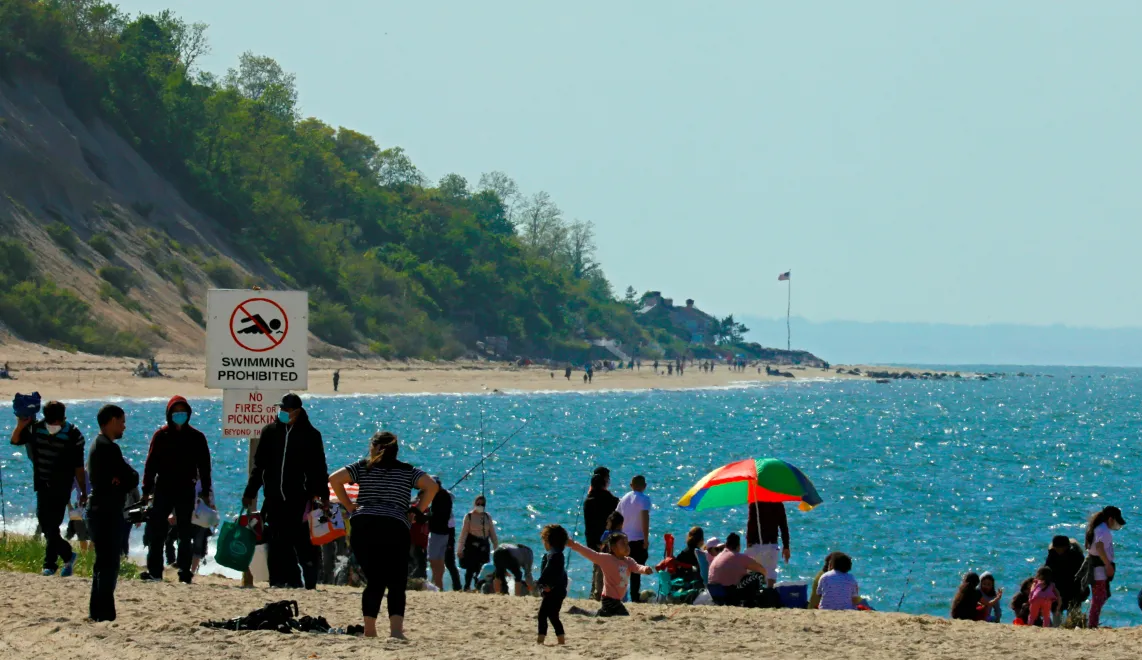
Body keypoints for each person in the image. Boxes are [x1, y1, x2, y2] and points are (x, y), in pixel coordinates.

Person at [329, 430, 438, 639]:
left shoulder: (363, 467)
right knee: (396, 580)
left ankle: (370, 630)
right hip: (395, 525)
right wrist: (416, 511)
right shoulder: (408, 471)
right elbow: (431, 486)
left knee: (375, 580)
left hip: (364, 524)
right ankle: (396, 632)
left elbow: (334, 479)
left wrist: (350, 506)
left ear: (374, 447)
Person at [242, 393, 329, 590]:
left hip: (299, 498)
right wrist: (250, 492)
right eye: (280, 409)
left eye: (286, 410)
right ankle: (278, 581)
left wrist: (323, 495)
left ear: (297, 412)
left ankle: (305, 582)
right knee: (275, 540)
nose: (282, 413)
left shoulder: (311, 435)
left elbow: (319, 468)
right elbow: (259, 466)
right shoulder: (270, 432)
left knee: (300, 542)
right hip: (273, 497)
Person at [140, 396, 212, 584]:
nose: (179, 416)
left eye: (183, 412)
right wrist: (146, 490)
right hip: (163, 487)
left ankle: (184, 572)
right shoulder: (161, 436)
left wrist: (206, 492)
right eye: (176, 412)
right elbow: (150, 465)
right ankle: (155, 571)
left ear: (188, 414)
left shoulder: (197, 437)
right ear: (169, 414)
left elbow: (205, 467)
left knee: (185, 533)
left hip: (186, 489)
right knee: (157, 532)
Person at [10, 400, 87, 577]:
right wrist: (20, 424)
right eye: (50, 422)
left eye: (57, 422)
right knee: (46, 525)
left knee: (53, 525)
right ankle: (67, 554)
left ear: (63, 419)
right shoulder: (35, 429)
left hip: (62, 486)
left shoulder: (74, 435)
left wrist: (82, 491)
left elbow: (78, 466)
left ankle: (50, 564)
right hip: (42, 483)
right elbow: (15, 440)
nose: (53, 426)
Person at [87, 405, 138, 622]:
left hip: (100, 510)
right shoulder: (107, 447)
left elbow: (125, 477)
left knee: (102, 563)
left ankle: (97, 611)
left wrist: (121, 479)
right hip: (106, 512)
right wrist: (120, 479)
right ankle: (105, 613)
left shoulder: (99, 445)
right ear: (110, 421)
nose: (124, 426)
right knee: (109, 565)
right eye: (121, 421)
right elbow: (131, 477)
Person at [567, 533, 654, 617]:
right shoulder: (607, 559)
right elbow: (591, 554)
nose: (627, 546)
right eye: (623, 544)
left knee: (600, 614)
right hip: (609, 598)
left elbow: (637, 567)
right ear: (613, 548)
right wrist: (574, 544)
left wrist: (645, 569)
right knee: (623, 615)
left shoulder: (629, 561)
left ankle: (576, 610)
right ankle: (576, 610)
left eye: (627, 544)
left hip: (617, 599)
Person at [1085, 505, 1125, 628]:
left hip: (1096, 566)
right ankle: (1092, 625)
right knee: (1099, 598)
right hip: (1099, 568)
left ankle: (1093, 623)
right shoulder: (1103, 530)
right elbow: (1099, 547)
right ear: (1111, 519)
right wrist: (1107, 565)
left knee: (1101, 596)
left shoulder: (1097, 527)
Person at [583, 468, 619, 600]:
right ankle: (600, 593)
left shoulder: (588, 501)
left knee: (597, 564)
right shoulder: (610, 500)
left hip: (592, 537)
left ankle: (594, 592)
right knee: (604, 566)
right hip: (606, 537)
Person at [615, 475, 651, 602]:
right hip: (638, 539)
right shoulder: (644, 499)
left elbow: (617, 517)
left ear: (631, 485)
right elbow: (645, 518)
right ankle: (634, 597)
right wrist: (646, 539)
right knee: (635, 570)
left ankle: (620, 595)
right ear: (644, 486)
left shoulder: (624, 499)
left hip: (624, 539)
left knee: (623, 569)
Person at [707, 533, 768, 606]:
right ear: (738, 546)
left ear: (726, 545)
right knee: (758, 576)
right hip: (730, 593)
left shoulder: (717, 557)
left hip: (714, 593)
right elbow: (762, 570)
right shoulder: (738, 556)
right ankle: (754, 601)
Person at [536, 524, 569, 646]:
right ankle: (561, 640)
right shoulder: (557, 554)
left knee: (543, 615)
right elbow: (561, 575)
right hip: (558, 591)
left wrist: (543, 583)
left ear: (548, 540)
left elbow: (550, 572)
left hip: (554, 591)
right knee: (553, 615)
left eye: (544, 540)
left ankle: (541, 640)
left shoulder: (554, 555)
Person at [458, 495, 497, 590]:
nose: (480, 506)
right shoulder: (469, 517)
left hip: (484, 546)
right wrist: (459, 550)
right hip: (471, 546)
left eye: (482, 504)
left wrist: (496, 548)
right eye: (478, 503)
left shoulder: (487, 517)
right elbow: (463, 534)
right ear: (474, 504)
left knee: (481, 569)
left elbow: (492, 534)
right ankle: (467, 587)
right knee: (470, 569)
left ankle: (478, 587)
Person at [747, 501, 790, 588]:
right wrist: (786, 546)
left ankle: (755, 595)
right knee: (771, 573)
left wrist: (749, 543)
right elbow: (783, 526)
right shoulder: (778, 504)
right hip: (771, 544)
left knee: (752, 572)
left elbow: (750, 524)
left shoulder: (755, 503)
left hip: (755, 544)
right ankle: (769, 594)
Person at [1045, 535, 1086, 625]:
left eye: (1060, 548)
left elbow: (1083, 572)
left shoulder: (1076, 555)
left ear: (1066, 547)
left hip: (1074, 587)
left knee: (1073, 613)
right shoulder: (1052, 554)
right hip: (1057, 588)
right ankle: (1056, 629)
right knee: (1056, 612)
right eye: (1057, 548)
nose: (1058, 550)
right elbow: (1047, 571)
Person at [427, 477, 459, 591]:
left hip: (438, 532)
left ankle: (438, 584)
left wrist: (426, 516)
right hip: (444, 533)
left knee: (434, 559)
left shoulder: (440, 497)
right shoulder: (445, 496)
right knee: (439, 560)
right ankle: (438, 585)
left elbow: (438, 516)